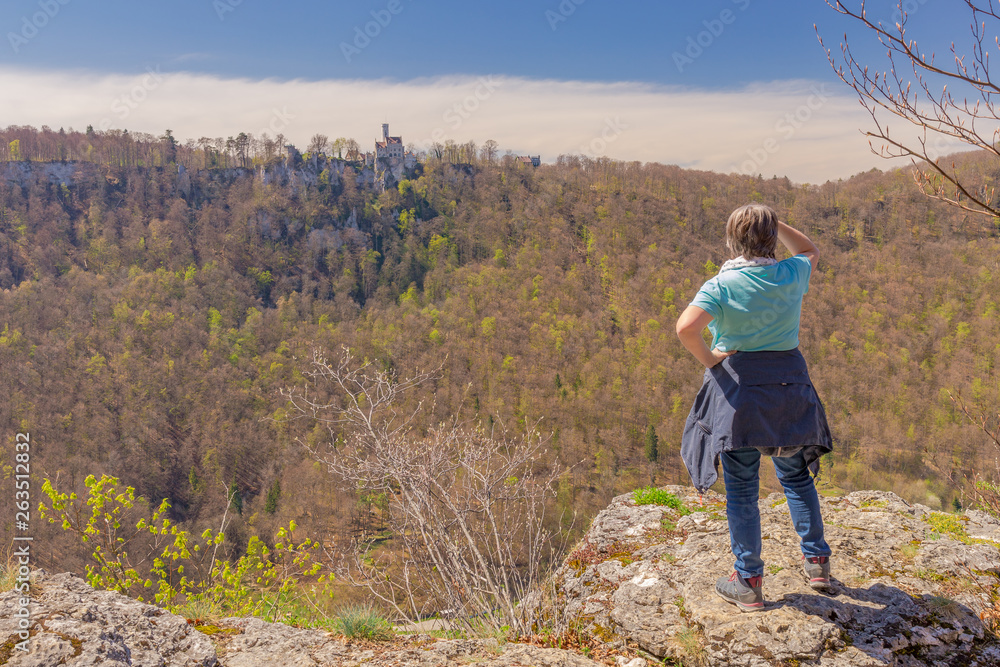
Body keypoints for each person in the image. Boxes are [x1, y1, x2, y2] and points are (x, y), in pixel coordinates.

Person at [675, 203, 834, 613]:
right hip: (789, 386)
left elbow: (685, 328)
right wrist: (775, 225)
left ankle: (748, 581)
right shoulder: (791, 274)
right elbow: (810, 250)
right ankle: (817, 563)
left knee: (743, 489)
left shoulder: (722, 285)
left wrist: (713, 362)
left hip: (740, 391)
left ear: (732, 240)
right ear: (770, 237)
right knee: (797, 476)